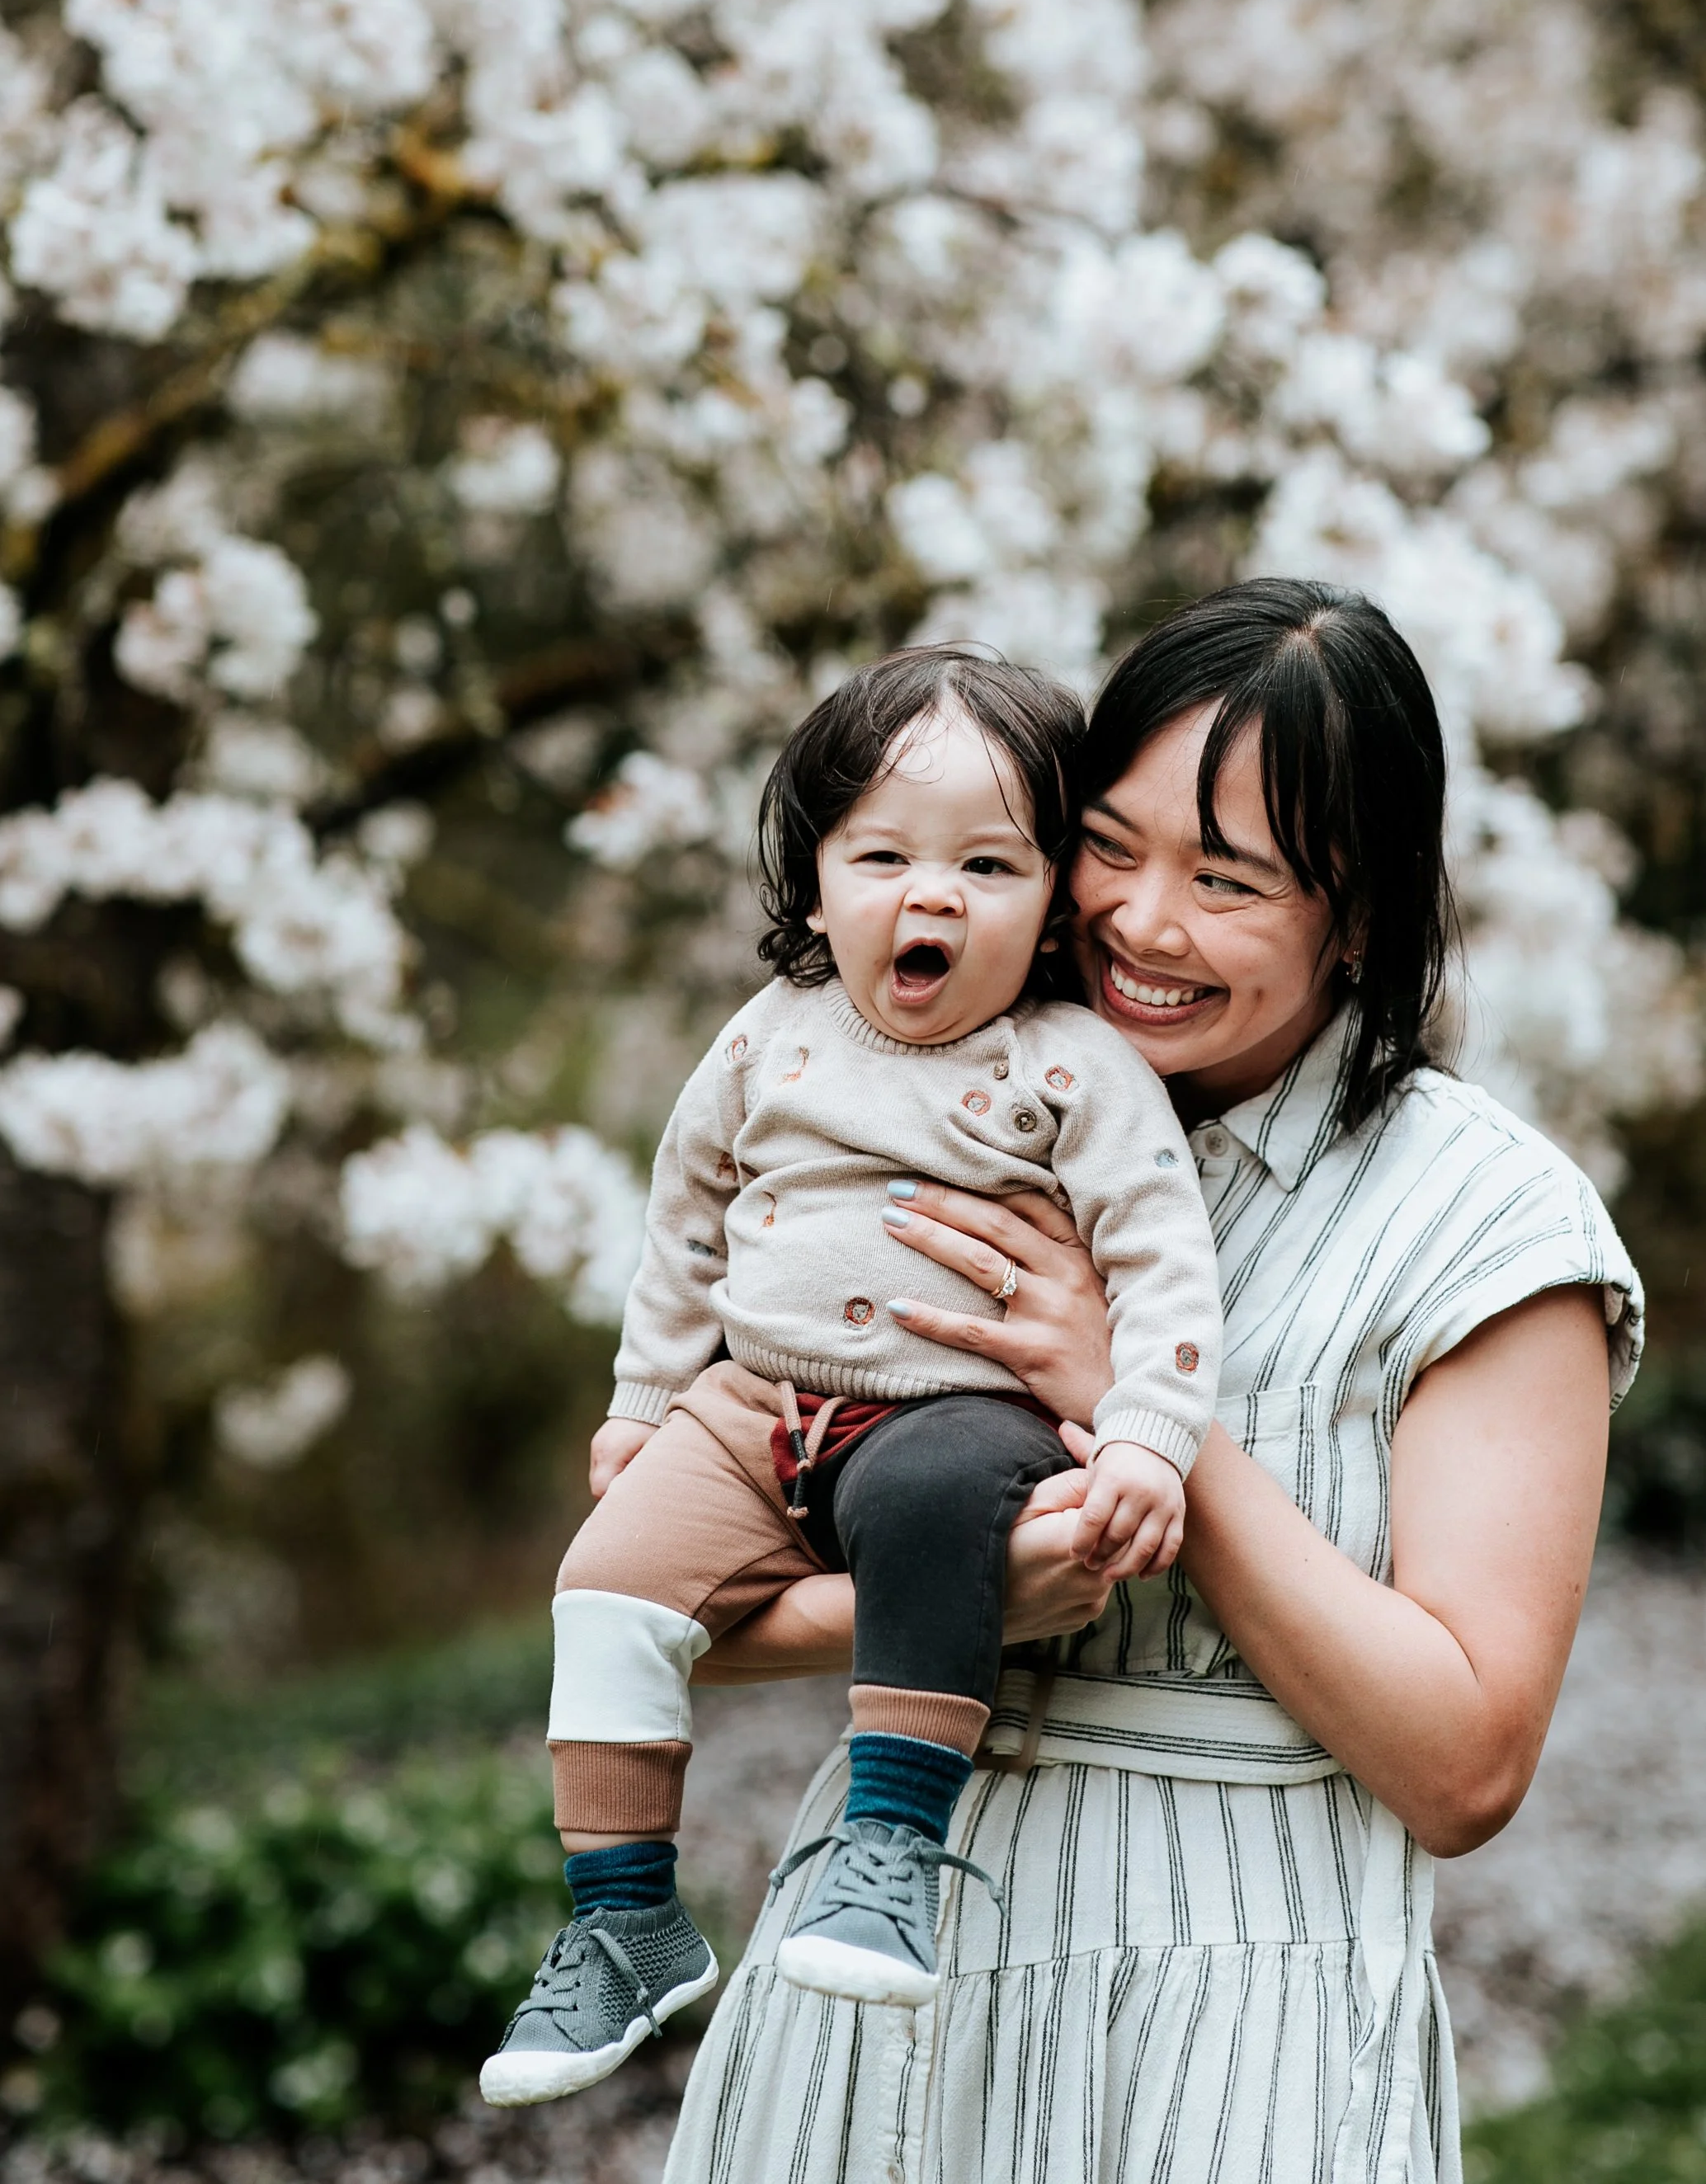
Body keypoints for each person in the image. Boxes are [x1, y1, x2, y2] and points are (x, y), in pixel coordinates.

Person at [665, 577, 1641, 2184]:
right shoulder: (942, 1103)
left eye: (1229, 879)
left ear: (1366, 914)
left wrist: (1151, 1418)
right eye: (1109, 845)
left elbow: (1464, 1765)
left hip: (1225, 2029)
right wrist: (957, 1601)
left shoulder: (1481, 1224)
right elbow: (687, 1600)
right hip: (863, 1993)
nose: (1140, 922)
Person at [482, 647, 1220, 2106]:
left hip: (953, 1412)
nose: (930, 893)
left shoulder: (1068, 1065)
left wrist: (1146, 1436)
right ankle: (625, 1917)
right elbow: (685, 1217)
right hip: (753, 1405)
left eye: (990, 863)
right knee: (604, 1585)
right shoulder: (769, 1035)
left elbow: (1163, 1258)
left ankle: (888, 1849)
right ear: (817, 884)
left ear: (1053, 896)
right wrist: (644, 1403)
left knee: (946, 1503)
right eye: (883, 853)